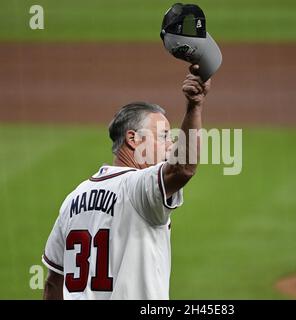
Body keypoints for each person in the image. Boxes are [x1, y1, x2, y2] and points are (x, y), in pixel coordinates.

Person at [42, 65, 211, 299]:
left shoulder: (73, 199)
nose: (171, 146)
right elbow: (183, 168)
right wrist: (195, 106)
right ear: (133, 139)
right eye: (163, 136)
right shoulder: (136, 188)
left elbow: (53, 283)